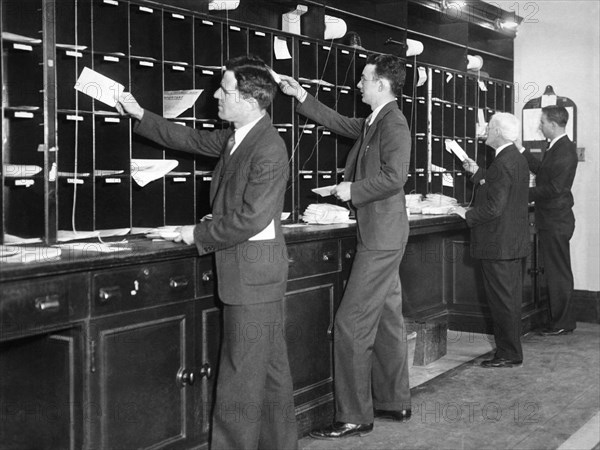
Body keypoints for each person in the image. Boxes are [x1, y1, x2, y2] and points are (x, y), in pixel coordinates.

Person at [116, 55, 297, 450]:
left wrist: (193, 232)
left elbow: (251, 218)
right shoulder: (239, 136)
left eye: (226, 90)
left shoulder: (268, 147)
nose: (217, 94)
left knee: (239, 379)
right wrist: (139, 114)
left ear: (250, 100)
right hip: (254, 275)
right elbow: (190, 139)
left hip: (253, 277)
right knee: (269, 373)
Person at [278, 54, 412, 439]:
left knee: (350, 323)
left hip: (382, 237)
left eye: (365, 79)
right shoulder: (375, 121)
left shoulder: (394, 122)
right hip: (380, 233)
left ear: (382, 85)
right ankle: (393, 401)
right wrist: (301, 94)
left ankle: (354, 415)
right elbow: (339, 123)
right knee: (386, 320)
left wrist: (350, 189)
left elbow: (394, 176)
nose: (358, 86)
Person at [451, 113, 530, 368]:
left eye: (489, 127)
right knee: (509, 300)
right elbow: (500, 187)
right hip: (511, 243)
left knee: (501, 302)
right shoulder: (514, 158)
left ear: (496, 131)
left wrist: (468, 214)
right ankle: (510, 350)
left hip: (498, 244)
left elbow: (495, 207)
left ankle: (508, 354)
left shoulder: (503, 161)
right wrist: (477, 173)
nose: (485, 130)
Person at [523, 105, 578, 336]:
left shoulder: (565, 150)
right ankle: (561, 320)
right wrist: (523, 152)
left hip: (556, 220)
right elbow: (544, 173)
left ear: (553, 125)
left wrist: (522, 193)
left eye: (543, 122)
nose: (540, 126)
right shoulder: (556, 146)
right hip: (553, 219)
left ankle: (562, 322)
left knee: (558, 272)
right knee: (557, 270)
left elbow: (555, 188)